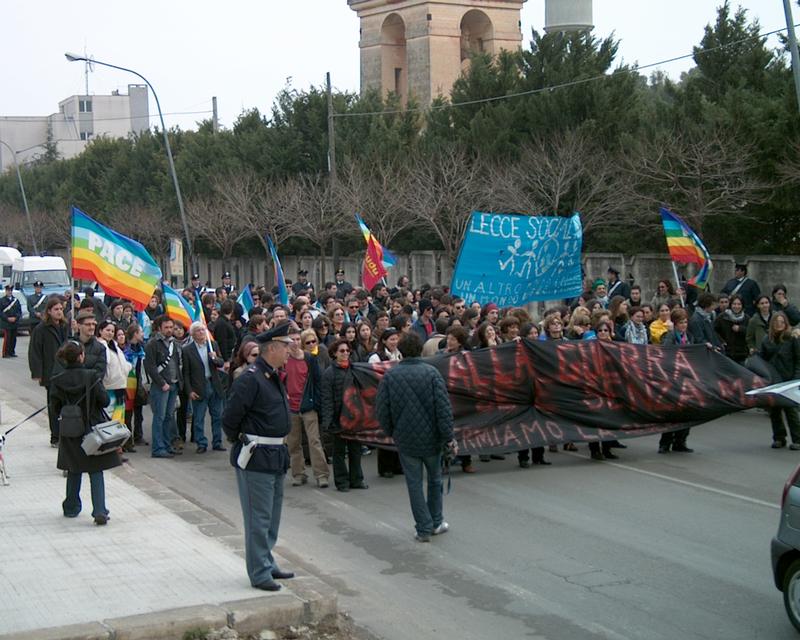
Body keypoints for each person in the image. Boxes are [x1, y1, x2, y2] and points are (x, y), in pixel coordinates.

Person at [223, 323, 295, 591]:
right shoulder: (251, 378)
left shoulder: (273, 375)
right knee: (259, 517)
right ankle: (259, 572)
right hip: (257, 455)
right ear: (273, 348)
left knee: (272, 516)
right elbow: (230, 419)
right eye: (286, 346)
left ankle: (267, 559)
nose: (290, 351)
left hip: (276, 454)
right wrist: (241, 440)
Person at [375, 333, 455, 542]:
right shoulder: (431, 373)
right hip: (432, 438)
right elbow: (443, 409)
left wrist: (393, 431)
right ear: (420, 350)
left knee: (414, 484)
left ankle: (423, 527)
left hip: (406, 438)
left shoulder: (391, 376)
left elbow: (382, 410)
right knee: (435, 480)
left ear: (401, 350)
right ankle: (436, 521)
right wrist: (448, 437)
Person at [50, 340, 120, 525]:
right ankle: (99, 510)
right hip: (91, 428)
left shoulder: (57, 379)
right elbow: (104, 401)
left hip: (70, 430)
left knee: (73, 468)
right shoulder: (91, 376)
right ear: (81, 356)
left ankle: (71, 507)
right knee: (95, 470)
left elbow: (54, 407)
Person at [321, 338, 367, 492]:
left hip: (354, 417)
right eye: (342, 351)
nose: (346, 353)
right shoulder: (329, 373)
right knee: (339, 452)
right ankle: (341, 482)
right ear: (334, 353)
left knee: (355, 450)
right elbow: (326, 398)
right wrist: (328, 421)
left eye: (348, 351)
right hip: (338, 417)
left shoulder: (355, 369)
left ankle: (357, 479)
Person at [284, 326, 328, 487]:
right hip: (291, 407)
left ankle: (321, 474)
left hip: (308, 405)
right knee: (294, 443)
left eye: (297, 340)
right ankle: (298, 473)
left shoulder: (309, 358)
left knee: (314, 441)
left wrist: (316, 402)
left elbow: (318, 381)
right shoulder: (284, 360)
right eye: (291, 340)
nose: (295, 343)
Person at [28, 295, 68, 446]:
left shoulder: (64, 326)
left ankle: (65, 434)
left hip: (65, 371)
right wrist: (37, 373)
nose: (59, 312)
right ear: (49, 311)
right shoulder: (41, 329)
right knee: (53, 407)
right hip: (51, 373)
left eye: (61, 309)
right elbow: (35, 352)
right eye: (56, 309)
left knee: (66, 406)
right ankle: (55, 436)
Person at [183, 322, 227, 454]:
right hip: (199, 387)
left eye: (203, 330)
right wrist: (189, 390)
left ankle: (217, 442)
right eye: (198, 331)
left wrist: (215, 358)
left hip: (214, 384)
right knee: (199, 417)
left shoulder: (212, 345)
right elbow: (186, 373)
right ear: (193, 334)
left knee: (217, 416)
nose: (202, 332)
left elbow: (221, 363)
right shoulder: (187, 350)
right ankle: (201, 443)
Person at [759, 312, 800, 450]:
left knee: (791, 411)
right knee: (775, 411)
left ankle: (797, 439)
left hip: (789, 379)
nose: (779, 324)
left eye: (782, 322)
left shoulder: (792, 338)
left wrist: (796, 378)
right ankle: (779, 438)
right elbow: (762, 360)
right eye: (777, 322)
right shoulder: (766, 340)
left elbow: (798, 359)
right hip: (773, 380)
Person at [144, 315, 183, 459]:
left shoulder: (174, 344)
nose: (169, 330)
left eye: (171, 327)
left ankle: (167, 445)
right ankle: (158, 448)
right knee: (159, 417)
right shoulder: (152, 344)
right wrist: (162, 383)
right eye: (166, 327)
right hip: (161, 386)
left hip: (173, 383)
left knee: (168, 417)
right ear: (159, 328)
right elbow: (151, 367)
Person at [659, 308, 694, 454]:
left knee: (687, 412)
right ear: (675, 323)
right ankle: (665, 442)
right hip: (672, 379)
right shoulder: (670, 337)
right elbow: (666, 354)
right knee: (672, 412)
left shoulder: (689, 337)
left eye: (685, 322)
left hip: (686, 378)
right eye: (681, 322)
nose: (684, 325)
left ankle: (681, 441)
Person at [96, 319, 132, 447]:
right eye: (107, 330)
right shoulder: (101, 346)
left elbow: (123, 363)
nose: (110, 333)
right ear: (100, 331)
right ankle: (109, 448)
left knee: (118, 421)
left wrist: (128, 367)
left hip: (120, 387)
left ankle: (116, 448)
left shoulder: (115, 346)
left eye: (112, 331)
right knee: (108, 421)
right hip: (108, 388)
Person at [123, 323, 148, 446]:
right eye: (141, 332)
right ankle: (127, 440)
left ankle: (138, 436)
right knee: (128, 413)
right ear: (135, 334)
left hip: (139, 383)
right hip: (129, 383)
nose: (143, 334)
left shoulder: (142, 348)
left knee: (139, 411)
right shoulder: (126, 349)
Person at [714, 294, 749, 364]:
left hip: (742, 354)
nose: (736, 306)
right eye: (734, 304)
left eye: (739, 304)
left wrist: (741, 329)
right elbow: (714, 331)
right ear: (731, 305)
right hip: (727, 352)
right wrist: (721, 341)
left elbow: (751, 333)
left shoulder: (747, 318)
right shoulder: (722, 317)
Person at [0, 283, 21, 357]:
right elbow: (1, 312)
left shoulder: (16, 300)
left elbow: (19, 311)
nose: (9, 292)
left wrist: (15, 318)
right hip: (6, 322)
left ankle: (12, 352)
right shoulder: (2, 300)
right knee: (7, 338)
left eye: (10, 290)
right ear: (6, 291)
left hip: (14, 322)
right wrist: (7, 318)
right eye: (8, 290)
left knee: (13, 338)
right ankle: (5, 353)